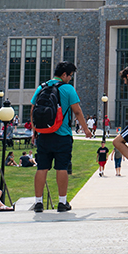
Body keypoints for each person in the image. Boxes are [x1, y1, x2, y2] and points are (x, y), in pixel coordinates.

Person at [31, 61, 92, 213]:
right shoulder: (68, 89)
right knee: (61, 168)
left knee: (42, 168)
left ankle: (38, 203)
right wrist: (86, 130)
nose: (70, 79)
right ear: (64, 75)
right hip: (62, 135)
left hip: (44, 135)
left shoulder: (41, 87)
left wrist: (35, 131)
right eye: (70, 76)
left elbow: (33, 110)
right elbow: (77, 112)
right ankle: (62, 202)